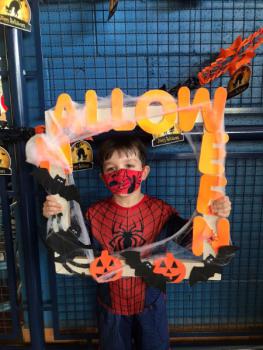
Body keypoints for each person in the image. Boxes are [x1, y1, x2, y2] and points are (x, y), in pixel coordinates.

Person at [43, 135, 231, 350]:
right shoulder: (94, 214)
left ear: (144, 172)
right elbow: (68, 245)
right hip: (110, 303)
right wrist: (53, 218)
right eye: (111, 168)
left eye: (129, 165)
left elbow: (191, 239)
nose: (120, 173)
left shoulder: (161, 211)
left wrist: (214, 214)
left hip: (151, 302)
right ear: (103, 177)